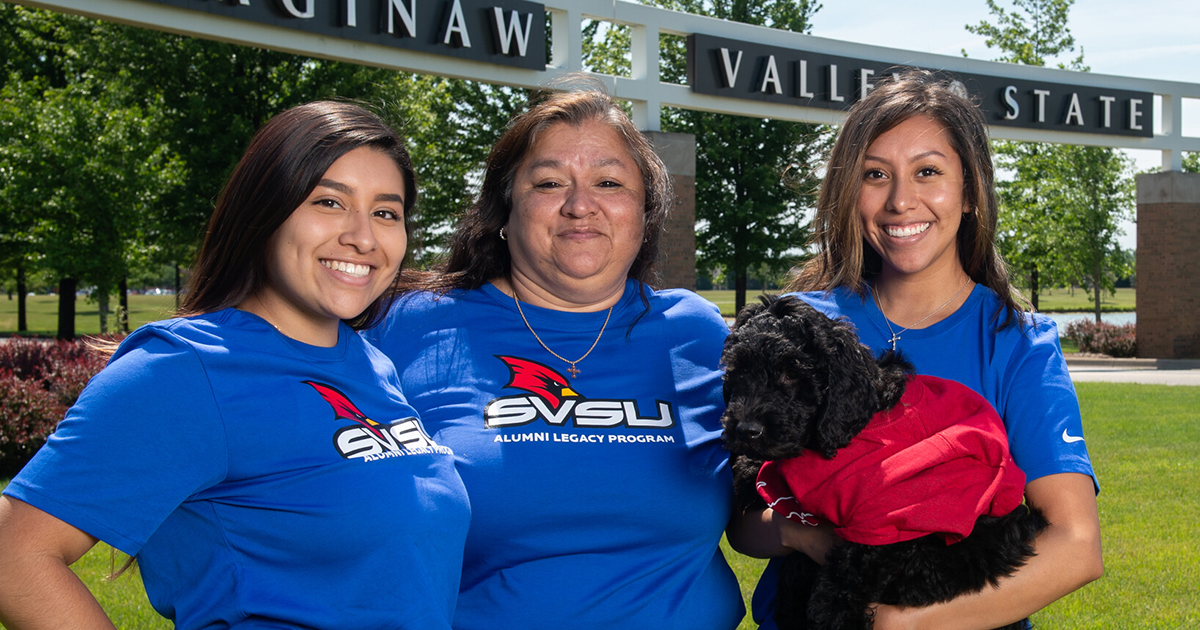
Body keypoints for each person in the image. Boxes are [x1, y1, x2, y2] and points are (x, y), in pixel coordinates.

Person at [0, 102, 470, 629]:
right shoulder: (185, 370)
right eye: (329, 202)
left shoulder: (374, 365)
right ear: (265, 213)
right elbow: (13, 556)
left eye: (386, 212)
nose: (363, 237)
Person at [730, 70, 1103, 630]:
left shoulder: (1017, 342)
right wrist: (803, 535)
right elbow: (743, 520)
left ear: (971, 192)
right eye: (875, 175)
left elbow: (1076, 544)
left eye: (928, 172)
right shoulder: (797, 327)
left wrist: (904, 622)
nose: (902, 200)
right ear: (849, 193)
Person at [364, 83, 744, 629]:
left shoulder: (697, 333)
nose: (580, 205)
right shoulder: (410, 325)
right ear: (504, 208)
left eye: (609, 182)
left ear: (644, 214)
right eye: (548, 183)